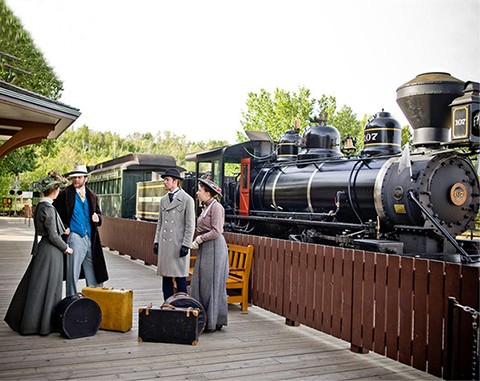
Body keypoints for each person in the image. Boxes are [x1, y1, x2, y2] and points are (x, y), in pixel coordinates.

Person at [4, 171, 72, 335]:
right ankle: (42, 325)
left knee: (37, 286)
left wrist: (63, 231)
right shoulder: (48, 208)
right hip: (51, 252)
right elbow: (53, 235)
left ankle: (32, 322)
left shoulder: (42, 206)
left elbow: (51, 230)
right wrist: (66, 248)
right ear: (54, 190)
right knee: (49, 287)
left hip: (45, 250)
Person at [53, 164, 108, 296]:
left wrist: (98, 218)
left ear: (85, 179)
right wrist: (64, 227)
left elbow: (99, 215)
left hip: (91, 238)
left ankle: (94, 298)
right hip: (75, 237)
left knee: (93, 271)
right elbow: (55, 214)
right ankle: (71, 298)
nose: (76, 180)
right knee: (73, 271)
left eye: (79, 177)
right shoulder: (64, 194)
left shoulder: (92, 196)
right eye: (74, 178)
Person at [190, 178, 229, 332]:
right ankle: (204, 318)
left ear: (208, 193)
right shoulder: (206, 207)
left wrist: (200, 239)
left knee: (212, 284)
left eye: (200, 190)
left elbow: (217, 230)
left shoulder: (216, 207)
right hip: (206, 247)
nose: (198, 192)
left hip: (214, 247)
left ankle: (213, 321)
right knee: (202, 282)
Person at [153, 168, 195, 301]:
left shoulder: (187, 200)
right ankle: (167, 304)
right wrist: (156, 241)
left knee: (180, 277)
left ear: (175, 181)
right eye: (164, 180)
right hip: (165, 245)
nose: (164, 182)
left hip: (178, 245)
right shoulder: (163, 200)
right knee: (166, 278)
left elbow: (190, 225)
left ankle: (181, 306)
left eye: (167, 180)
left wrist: (186, 245)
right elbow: (160, 223)